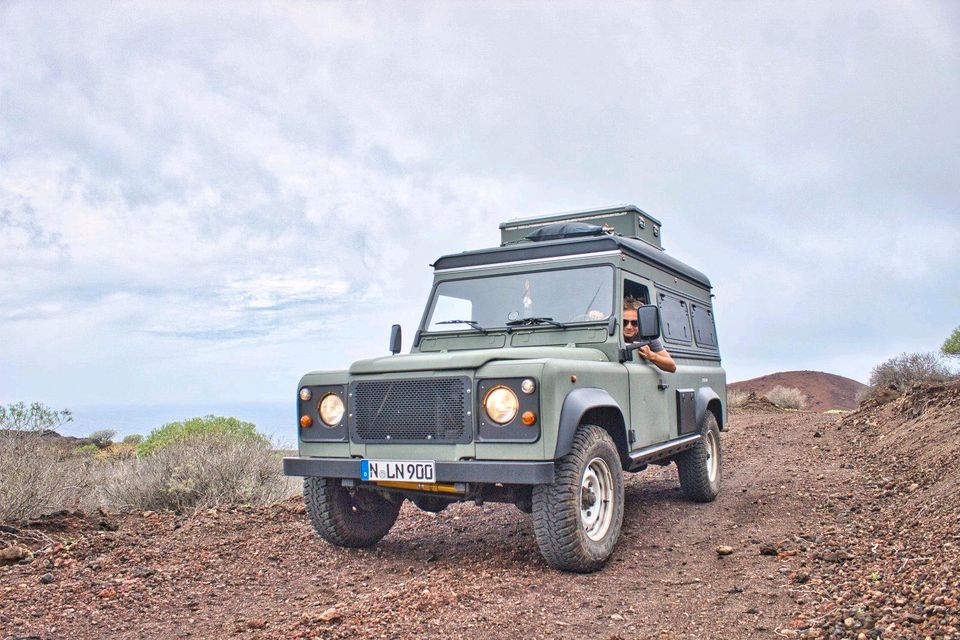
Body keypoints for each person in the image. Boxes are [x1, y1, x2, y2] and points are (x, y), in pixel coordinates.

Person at [623, 296, 677, 373]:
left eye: (634, 323)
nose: (629, 327)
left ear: (641, 323)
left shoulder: (647, 337)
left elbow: (672, 367)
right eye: (624, 322)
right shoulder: (611, 334)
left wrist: (651, 355)